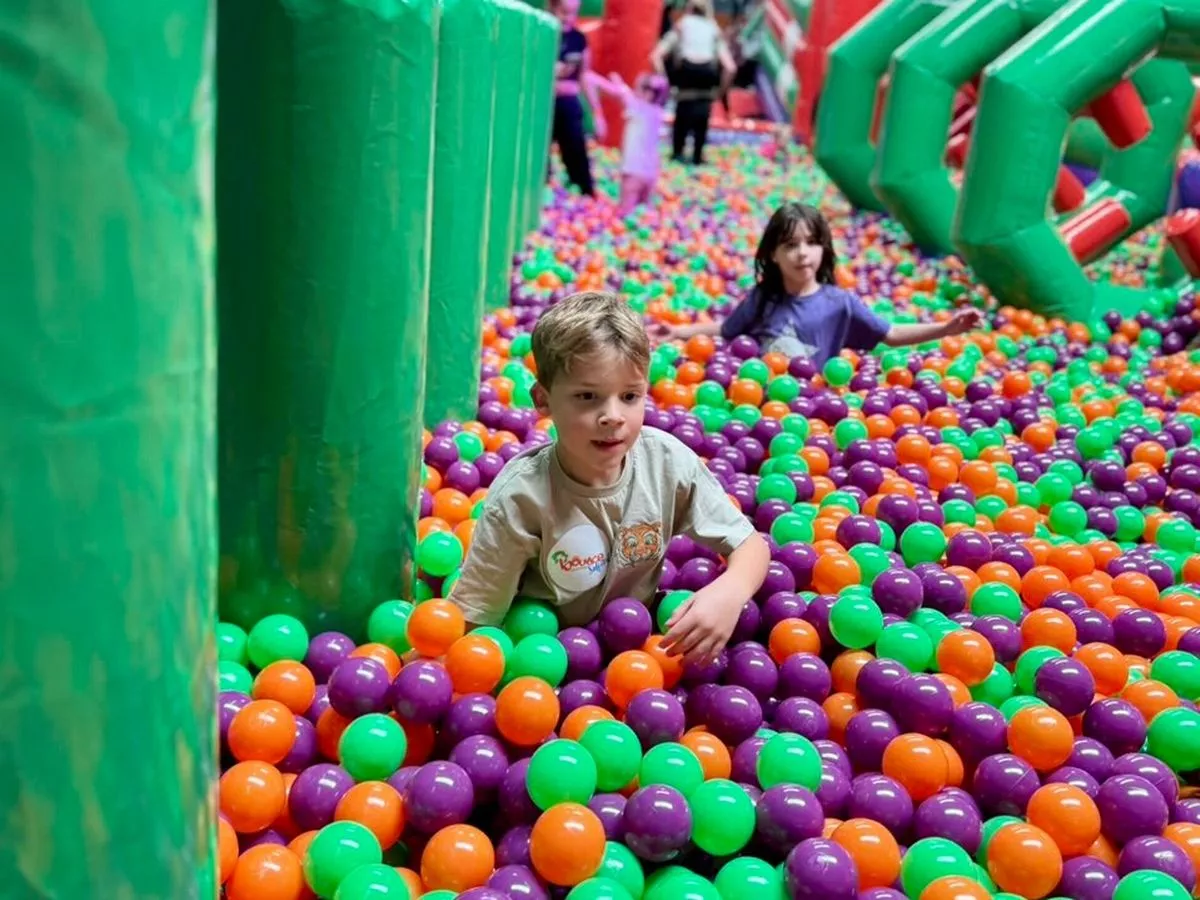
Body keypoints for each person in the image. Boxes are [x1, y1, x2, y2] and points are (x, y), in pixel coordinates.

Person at [448, 292, 770, 667]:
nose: (612, 416)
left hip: (642, 654)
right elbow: (473, 622)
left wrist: (730, 592)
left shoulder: (666, 463)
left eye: (630, 396)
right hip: (541, 659)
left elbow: (751, 546)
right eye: (588, 396)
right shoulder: (521, 497)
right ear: (543, 399)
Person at [653, 202, 984, 361]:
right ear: (773, 255)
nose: (802, 254)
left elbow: (892, 334)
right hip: (762, 403)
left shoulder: (839, 302)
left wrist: (945, 328)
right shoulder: (763, 298)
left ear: (824, 249)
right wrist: (678, 332)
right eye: (791, 245)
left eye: (812, 243)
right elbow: (728, 329)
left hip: (811, 406)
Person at [650, 0, 736, 165]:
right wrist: (721, 90)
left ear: (689, 9)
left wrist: (665, 82)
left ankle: (677, 152)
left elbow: (657, 56)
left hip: (686, 72)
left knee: (682, 111)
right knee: (703, 113)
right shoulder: (713, 29)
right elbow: (730, 67)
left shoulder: (683, 25)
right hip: (707, 76)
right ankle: (698, 154)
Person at [583, 70, 670, 214]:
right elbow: (626, 92)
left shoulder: (637, 107)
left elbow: (589, 78)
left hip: (634, 171)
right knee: (644, 215)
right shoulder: (657, 112)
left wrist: (615, 86)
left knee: (626, 213)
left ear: (648, 94)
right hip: (650, 173)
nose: (634, 91)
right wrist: (620, 85)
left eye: (638, 88)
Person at [550, 0, 604, 197]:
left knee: (576, 149)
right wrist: (549, 71)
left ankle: (585, 191)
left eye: (573, 14)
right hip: (544, 104)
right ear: (552, 8)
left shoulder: (578, 39)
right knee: (538, 155)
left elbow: (585, 75)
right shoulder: (544, 34)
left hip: (568, 102)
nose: (568, 18)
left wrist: (597, 113)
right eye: (564, 12)